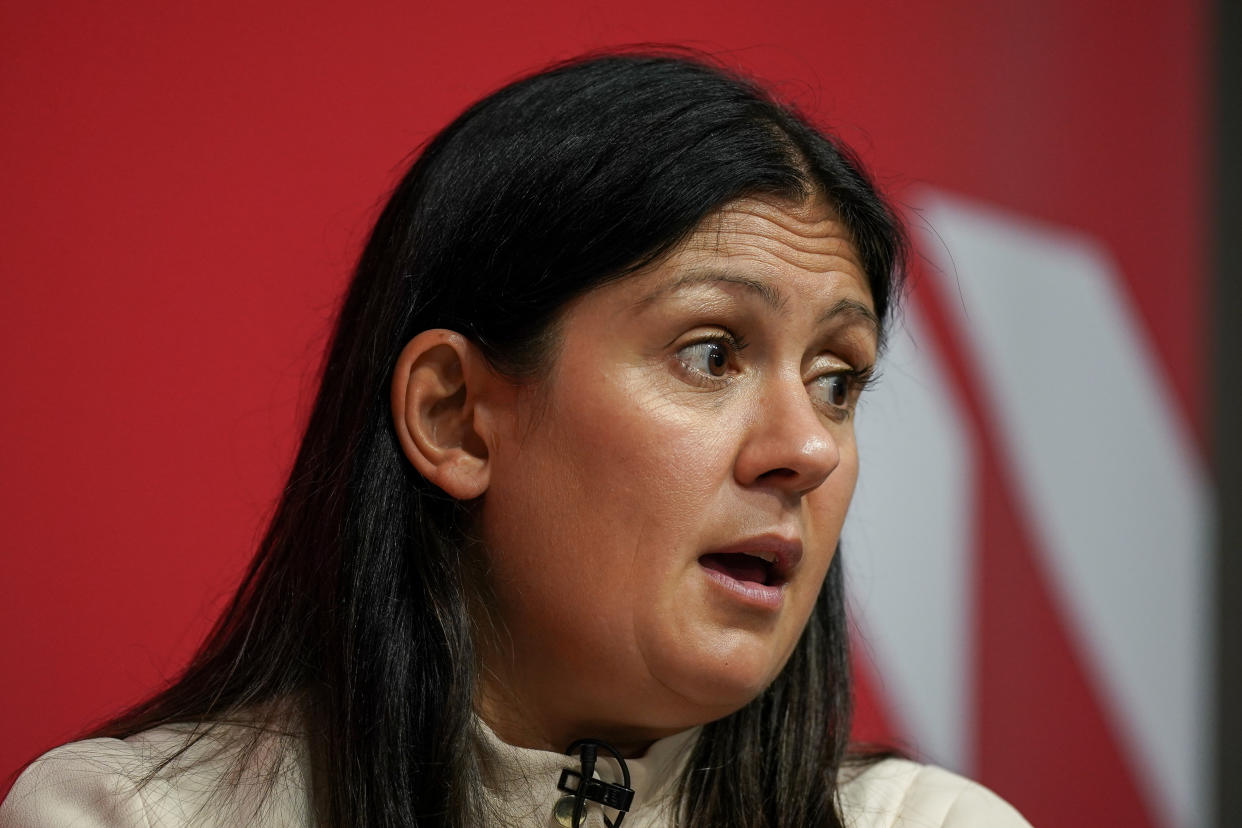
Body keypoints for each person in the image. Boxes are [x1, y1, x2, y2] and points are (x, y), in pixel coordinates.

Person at [0, 50, 1031, 827]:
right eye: (713, 353)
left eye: (839, 380)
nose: (806, 449)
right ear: (455, 416)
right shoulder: (131, 817)